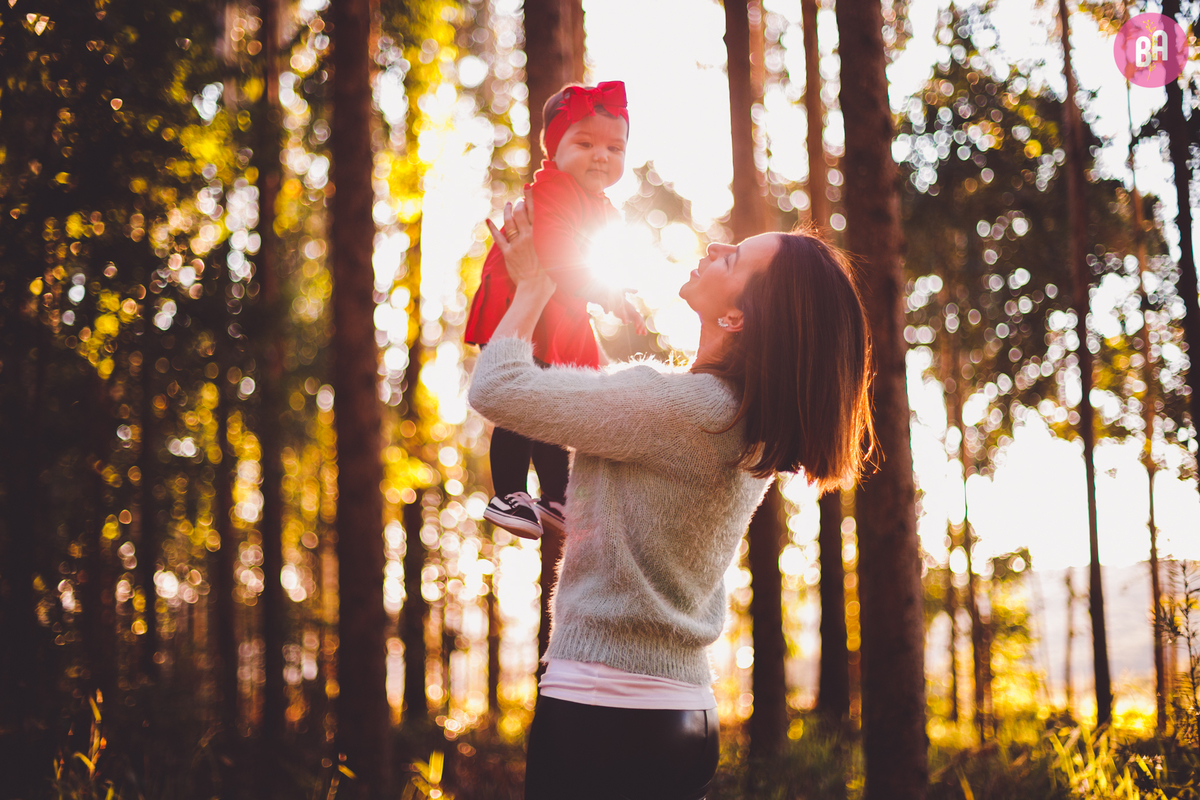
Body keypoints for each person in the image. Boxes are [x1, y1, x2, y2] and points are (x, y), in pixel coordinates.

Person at [468, 195, 876, 799]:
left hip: (600, 713)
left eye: (733, 259)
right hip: (683, 714)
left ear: (737, 317)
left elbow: (497, 388)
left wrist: (531, 287)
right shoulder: (739, 418)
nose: (715, 248)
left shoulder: (678, 409)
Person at [464, 80, 644, 540]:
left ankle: (556, 495)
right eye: (584, 143)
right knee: (521, 399)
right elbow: (562, 254)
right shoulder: (553, 189)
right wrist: (608, 296)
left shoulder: (602, 208)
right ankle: (508, 490)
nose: (601, 155)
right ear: (554, 148)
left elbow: (594, 262)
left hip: (559, 308)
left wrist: (617, 295)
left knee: (552, 402)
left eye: (614, 147)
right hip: (522, 304)